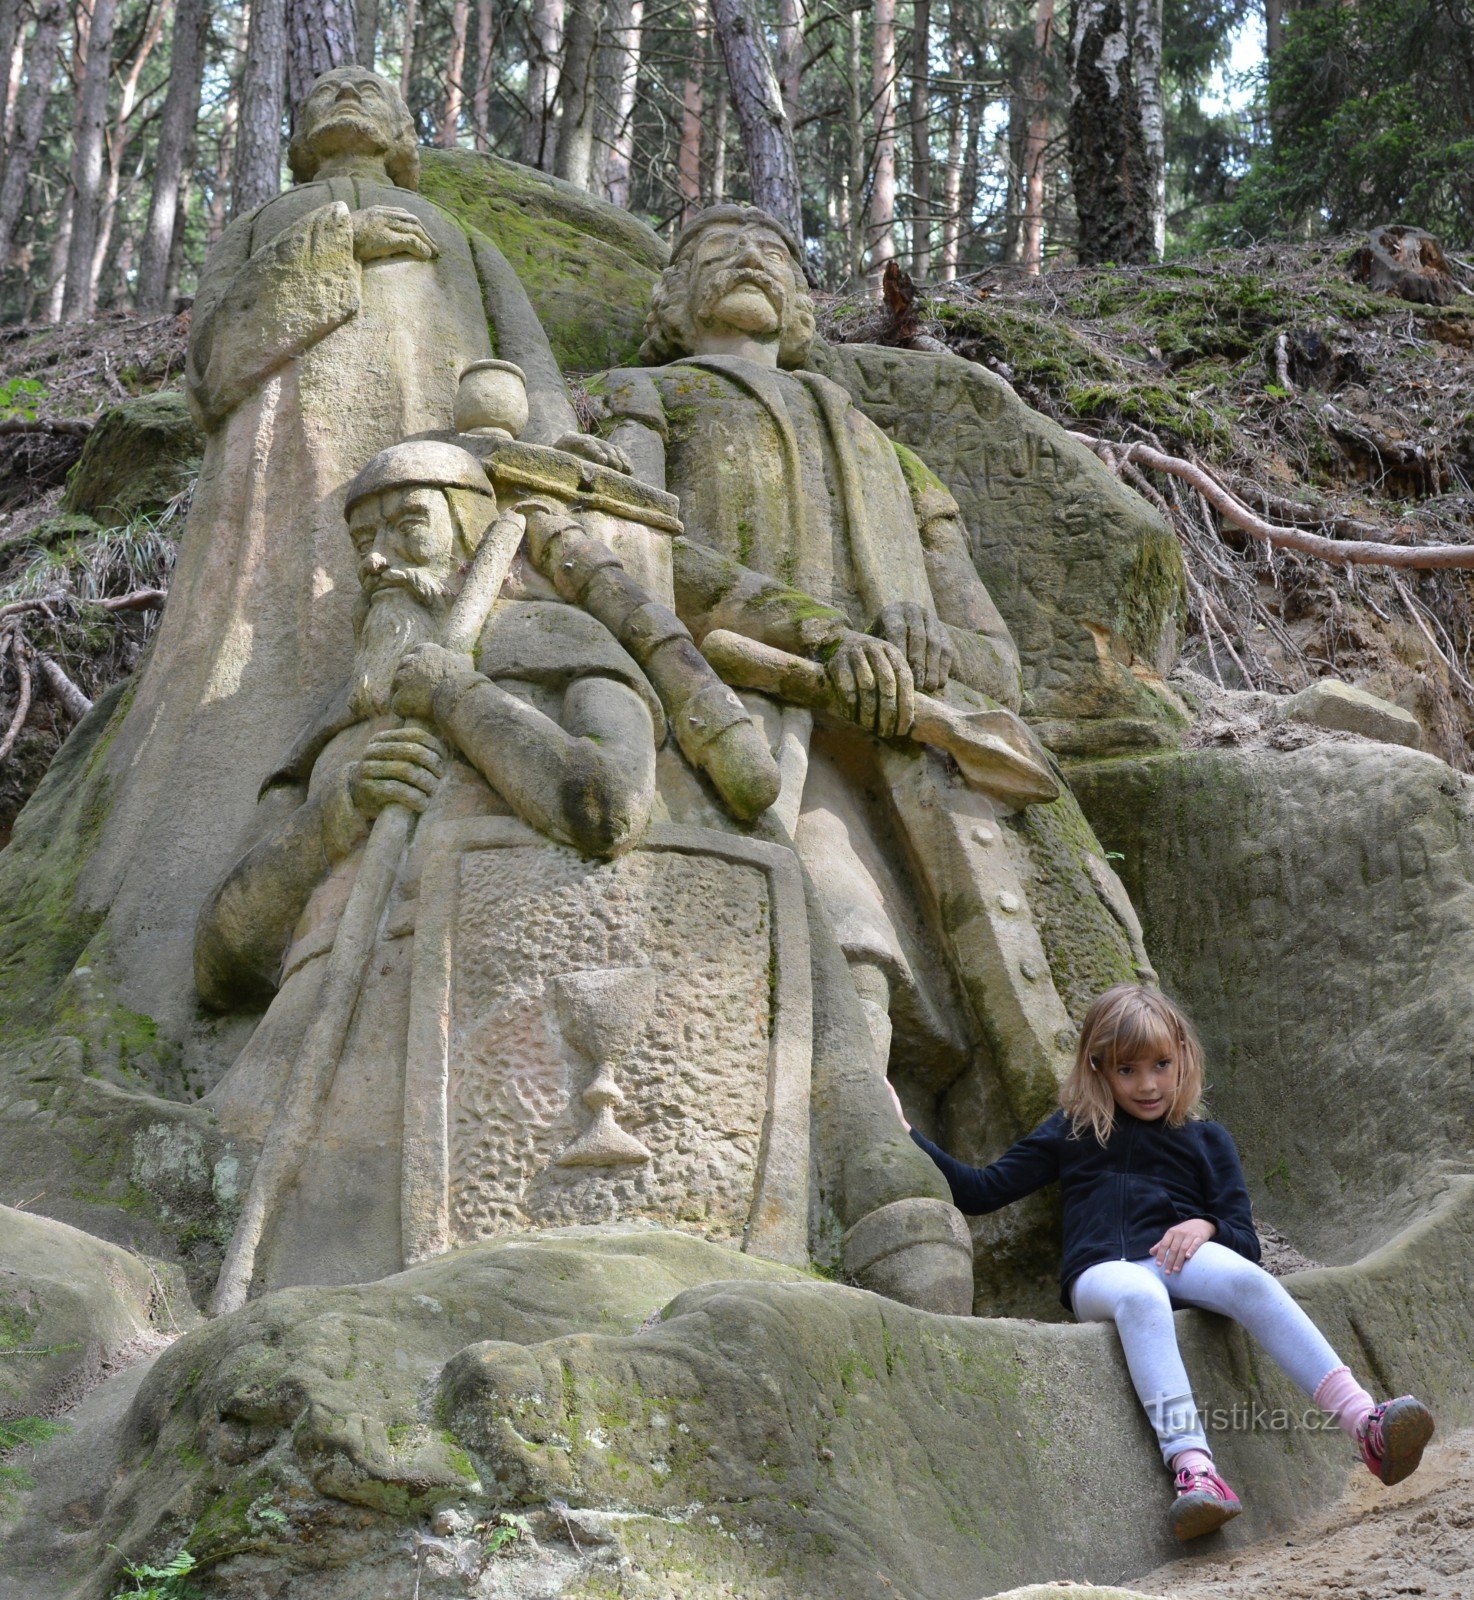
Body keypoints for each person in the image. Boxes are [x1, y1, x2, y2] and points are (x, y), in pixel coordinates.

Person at [197, 440, 661, 1294]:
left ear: (471, 531)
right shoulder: (332, 724)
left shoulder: (556, 641)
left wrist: (459, 698)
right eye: (361, 538)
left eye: (409, 526)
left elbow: (610, 809)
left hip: (495, 1034)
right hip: (305, 1044)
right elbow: (223, 956)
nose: (376, 559)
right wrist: (338, 816)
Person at [891, 982, 1436, 1542]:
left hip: (1178, 1259)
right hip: (1102, 1273)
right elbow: (981, 1191)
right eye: (1127, 1070)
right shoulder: (1072, 1130)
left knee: (1248, 1279)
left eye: (1160, 1064)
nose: (1147, 1084)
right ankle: (1195, 1471)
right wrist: (905, 1131)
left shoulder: (1206, 1139)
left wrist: (1207, 1226)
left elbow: (1244, 1239)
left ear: (1183, 1056)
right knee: (1140, 1295)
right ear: (1098, 1067)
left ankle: (1363, 1423)